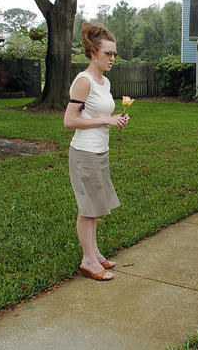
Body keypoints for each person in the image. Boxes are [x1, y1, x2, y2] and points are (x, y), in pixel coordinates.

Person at [64, 23, 128, 281]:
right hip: (84, 153)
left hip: (100, 151)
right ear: (93, 53)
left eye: (114, 54)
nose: (112, 58)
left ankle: (95, 252)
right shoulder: (84, 81)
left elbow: (98, 113)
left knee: (94, 207)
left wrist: (114, 118)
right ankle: (88, 261)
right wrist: (106, 121)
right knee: (88, 208)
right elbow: (70, 121)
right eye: (107, 54)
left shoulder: (104, 81)